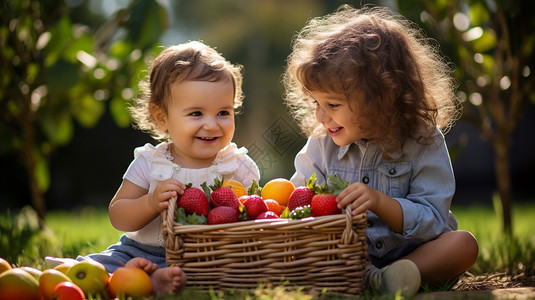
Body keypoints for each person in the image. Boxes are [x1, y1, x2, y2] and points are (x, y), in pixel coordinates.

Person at [283, 5, 478, 297]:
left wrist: (379, 202)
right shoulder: (321, 143)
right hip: (345, 256)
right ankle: (367, 278)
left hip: (411, 251)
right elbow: (297, 208)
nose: (321, 117)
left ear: (381, 99)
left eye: (333, 105)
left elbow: (434, 220)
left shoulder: (424, 140)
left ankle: (395, 276)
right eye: (316, 103)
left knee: (464, 244)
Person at [46, 41, 260, 295]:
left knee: (219, 273)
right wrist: (149, 203)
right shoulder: (151, 163)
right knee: (103, 266)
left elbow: (255, 221)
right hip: (142, 249)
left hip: (210, 257)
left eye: (223, 112)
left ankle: (149, 279)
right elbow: (118, 215)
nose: (212, 125)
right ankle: (130, 274)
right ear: (162, 118)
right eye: (196, 114)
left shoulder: (238, 166)